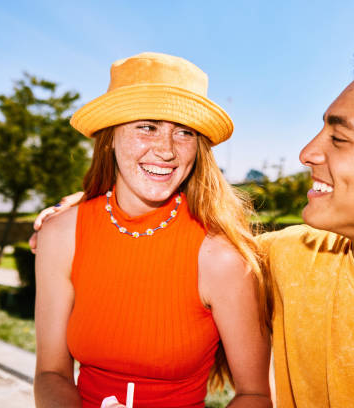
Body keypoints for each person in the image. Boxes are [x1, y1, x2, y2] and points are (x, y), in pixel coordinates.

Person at [34, 42, 354, 407]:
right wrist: (79, 210)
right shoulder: (289, 257)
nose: (306, 153)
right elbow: (143, 237)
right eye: (145, 127)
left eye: (339, 137)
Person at [33, 52, 272, 408]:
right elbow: (51, 373)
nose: (166, 150)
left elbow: (254, 395)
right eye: (147, 127)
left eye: (184, 132)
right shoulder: (61, 234)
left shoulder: (220, 257)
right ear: (110, 137)